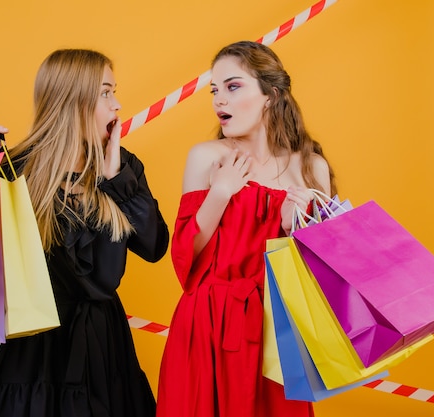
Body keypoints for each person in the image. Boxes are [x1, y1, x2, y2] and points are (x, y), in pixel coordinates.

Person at [0, 49, 169, 417]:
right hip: (31, 347)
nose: (117, 104)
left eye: (114, 91)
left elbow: (154, 246)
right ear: (74, 100)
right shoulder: (15, 168)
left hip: (104, 346)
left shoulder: (122, 168)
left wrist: (117, 179)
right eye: (105, 93)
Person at [155, 41, 336, 417]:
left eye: (233, 86)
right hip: (205, 326)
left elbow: (322, 279)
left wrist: (291, 227)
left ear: (270, 95)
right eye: (215, 90)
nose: (220, 100)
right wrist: (220, 193)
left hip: (276, 334)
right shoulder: (207, 157)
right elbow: (185, 259)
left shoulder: (310, 168)